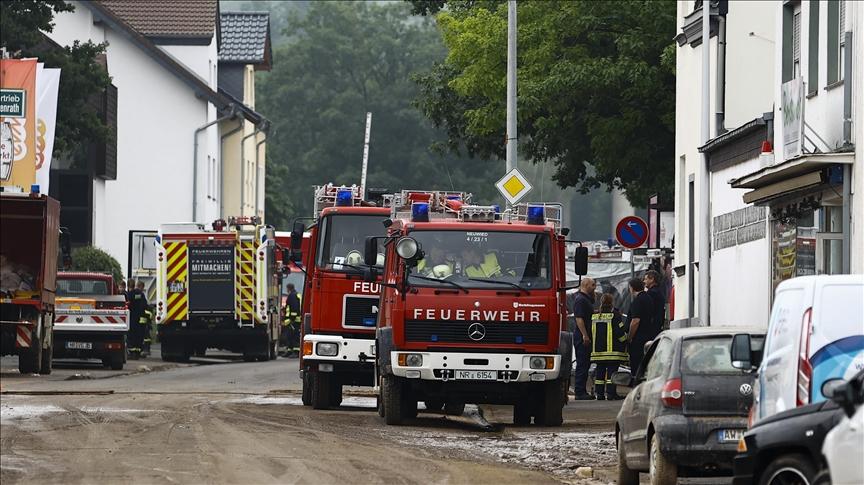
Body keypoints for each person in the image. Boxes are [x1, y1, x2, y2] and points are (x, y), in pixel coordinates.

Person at [590, 293, 628, 400]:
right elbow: (620, 332)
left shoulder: (595, 315)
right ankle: (611, 394)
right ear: (612, 303)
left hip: (598, 352)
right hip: (613, 352)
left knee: (600, 373)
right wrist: (625, 341)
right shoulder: (615, 315)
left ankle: (600, 394)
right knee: (612, 373)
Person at [567, 277, 596, 400]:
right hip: (582, 336)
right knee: (582, 364)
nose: (594, 287)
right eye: (593, 285)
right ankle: (580, 391)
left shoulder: (585, 299)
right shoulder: (580, 300)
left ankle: (582, 390)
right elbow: (579, 318)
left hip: (586, 335)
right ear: (586, 285)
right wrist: (585, 334)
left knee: (585, 363)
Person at [626, 277, 657, 373]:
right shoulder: (648, 298)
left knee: (636, 365)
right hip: (648, 335)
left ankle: (636, 385)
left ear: (632, 288)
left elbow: (635, 321)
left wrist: (630, 337)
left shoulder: (637, 301)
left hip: (638, 339)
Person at [127, 280, 148, 359]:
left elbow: (127, 305)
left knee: (131, 336)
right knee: (139, 337)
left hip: (132, 318)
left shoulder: (131, 294)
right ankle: (137, 353)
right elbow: (145, 306)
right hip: (140, 319)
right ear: (141, 287)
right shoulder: (141, 295)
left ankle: (131, 353)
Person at [282, 283, 301, 357]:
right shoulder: (295, 294)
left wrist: (292, 319)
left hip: (294, 320)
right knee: (289, 336)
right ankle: (289, 351)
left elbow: (294, 308)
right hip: (294, 320)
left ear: (288, 288)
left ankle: (296, 352)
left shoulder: (292, 296)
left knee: (294, 336)